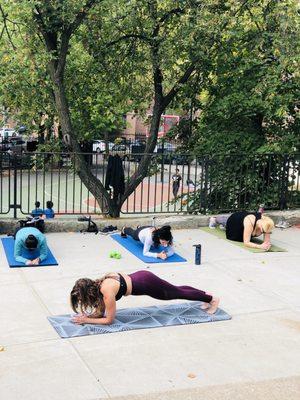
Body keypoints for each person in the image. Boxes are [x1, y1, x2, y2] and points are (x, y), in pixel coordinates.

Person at [70, 270, 220, 326]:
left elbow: (109, 320)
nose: (83, 302)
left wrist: (87, 320)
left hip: (148, 284)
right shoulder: (101, 283)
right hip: (142, 276)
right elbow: (100, 311)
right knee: (176, 289)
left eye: (83, 299)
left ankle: (212, 299)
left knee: (176, 292)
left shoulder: (107, 292)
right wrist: (89, 316)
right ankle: (204, 295)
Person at [209, 211, 274, 251]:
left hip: (243, 219)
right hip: (235, 222)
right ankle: (214, 219)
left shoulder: (267, 223)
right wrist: (260, 246)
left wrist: (267, 244)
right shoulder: (250, 223)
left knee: (225, 221)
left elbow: (267, 242)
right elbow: (246, 243)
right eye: (263, 231)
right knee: (226, 222)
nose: (264, 233)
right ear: (260, 225)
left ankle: (223, 224)